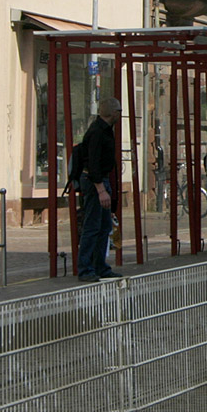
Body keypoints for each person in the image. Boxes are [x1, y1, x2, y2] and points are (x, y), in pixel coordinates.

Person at [79, 98, 124, 279]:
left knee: (104, 227)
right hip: (95, 183)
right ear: (112, 112)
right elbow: (92, 163)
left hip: (102, 180)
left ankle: (100, 267)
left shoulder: (106, 130)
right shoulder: (97, 132)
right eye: (119, 111)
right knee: (92, 226)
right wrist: (101, 189)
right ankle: (86, 268)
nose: (120, 114)